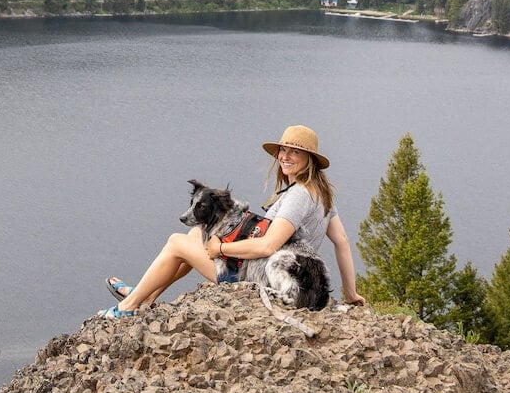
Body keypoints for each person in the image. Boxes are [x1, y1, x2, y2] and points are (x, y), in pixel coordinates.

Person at [99, 124, 366, 317]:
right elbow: (341, 242)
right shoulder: (321, 193)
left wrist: (221, 249)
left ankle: (128, 307)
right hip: (279, 270)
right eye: (283, 150)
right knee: (195, 236)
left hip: (259, 275)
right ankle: (146, 297)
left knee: (176, 243)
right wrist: (351, 294)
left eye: (294, 152)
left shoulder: (299, 196)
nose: (285, 156)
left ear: (309, 159)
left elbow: (267, 247)